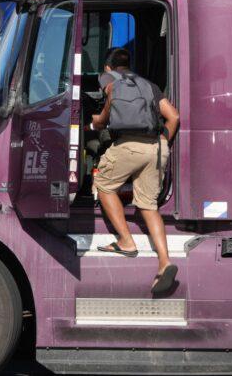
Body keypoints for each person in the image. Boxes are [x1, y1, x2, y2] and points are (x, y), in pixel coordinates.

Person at [92, 48, 180, 293]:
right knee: (148, 205)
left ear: (108, 68)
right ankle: (164, 262)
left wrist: (93, 120)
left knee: (104, 185)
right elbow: (173, 117)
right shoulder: (150, 85)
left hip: (129, 146)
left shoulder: (112, 86)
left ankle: (126, 241)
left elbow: (102, 120)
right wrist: (163, 142)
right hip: (157, 148)